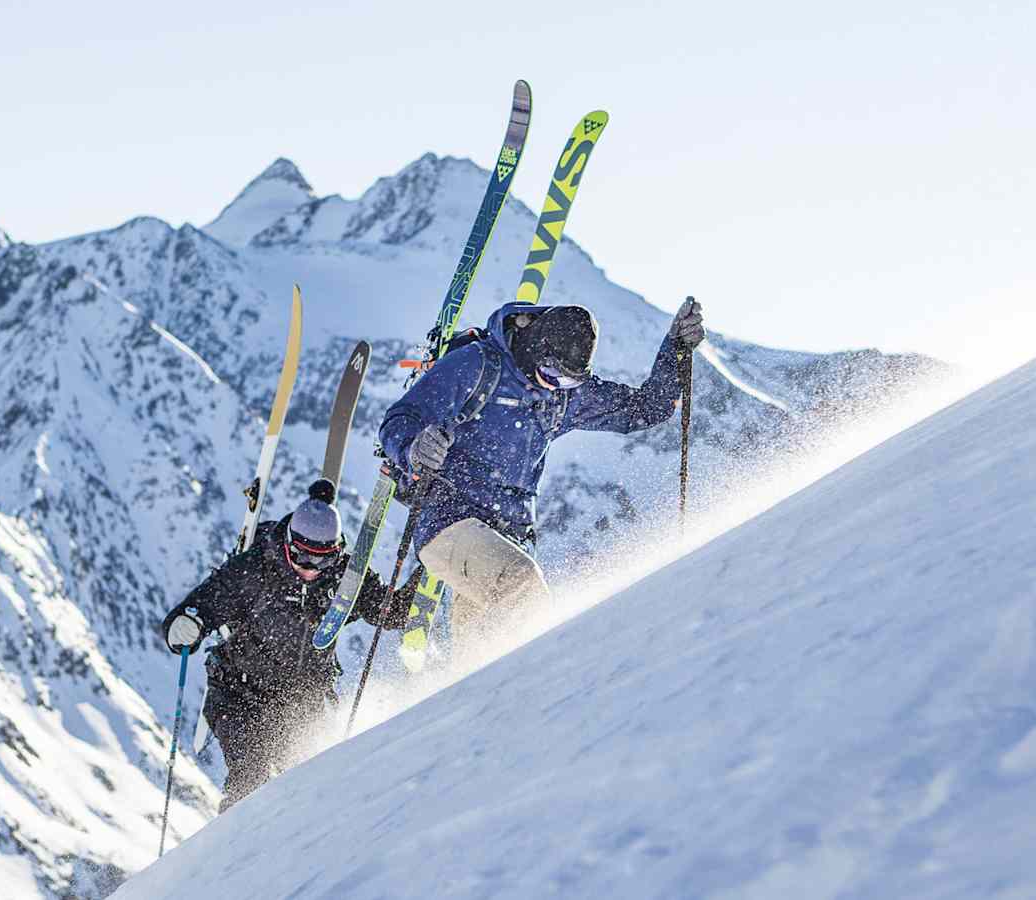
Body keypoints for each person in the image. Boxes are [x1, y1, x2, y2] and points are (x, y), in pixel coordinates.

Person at [379, 298, 705, 652]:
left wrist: (676, 349)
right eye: (551, 374)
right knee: (523, 587)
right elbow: (401, 418)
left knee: (483, 656)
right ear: (536, 347)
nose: (554, 385)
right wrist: (413, 448)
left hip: (509, 537)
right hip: (449, 522)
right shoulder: (476, 366)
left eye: (567, 380)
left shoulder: (564, 396)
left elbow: (647, 408)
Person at [160, 479, 410, 811]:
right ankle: (234, 853)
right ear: (288, 543)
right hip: (239, 695)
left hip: (301, 703)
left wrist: (422, 580)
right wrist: (186, 624)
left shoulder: (344, 579)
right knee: (251, 781)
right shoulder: (253, 570)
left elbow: (388, 612)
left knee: (304, 795)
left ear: (336, 552)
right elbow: (204, 604)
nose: (310, 569)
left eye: (322, 559)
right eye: (303, 556)